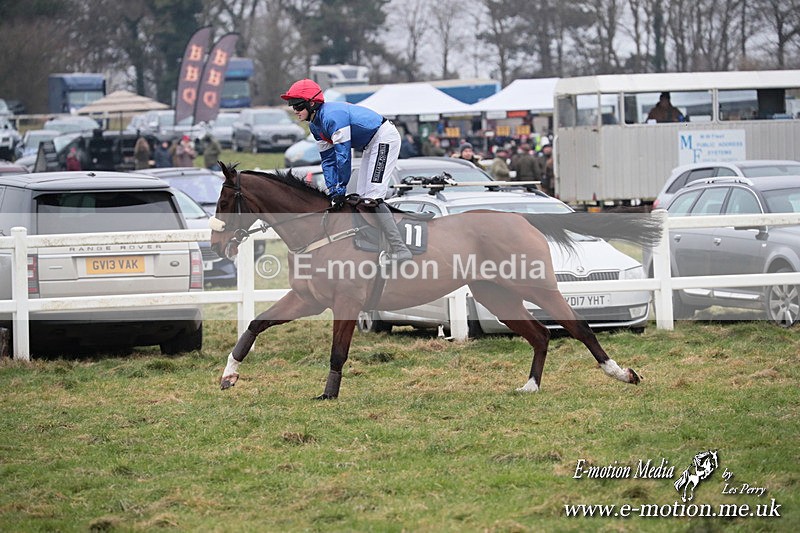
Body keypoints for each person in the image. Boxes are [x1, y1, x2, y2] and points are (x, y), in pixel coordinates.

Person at [280, 78, 412, 262]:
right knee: (364, 197)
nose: (294, 110)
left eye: (297, 105)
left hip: (384, 137)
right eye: (291, 105)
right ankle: (377, 244)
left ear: (312, 103)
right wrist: (334, 190)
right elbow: (328, 160)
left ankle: (400, 249)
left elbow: (343, 157)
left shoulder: (332, 117)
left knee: (373, 197)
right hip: (370, 144)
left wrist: (341, 188)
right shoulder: (315, 126)